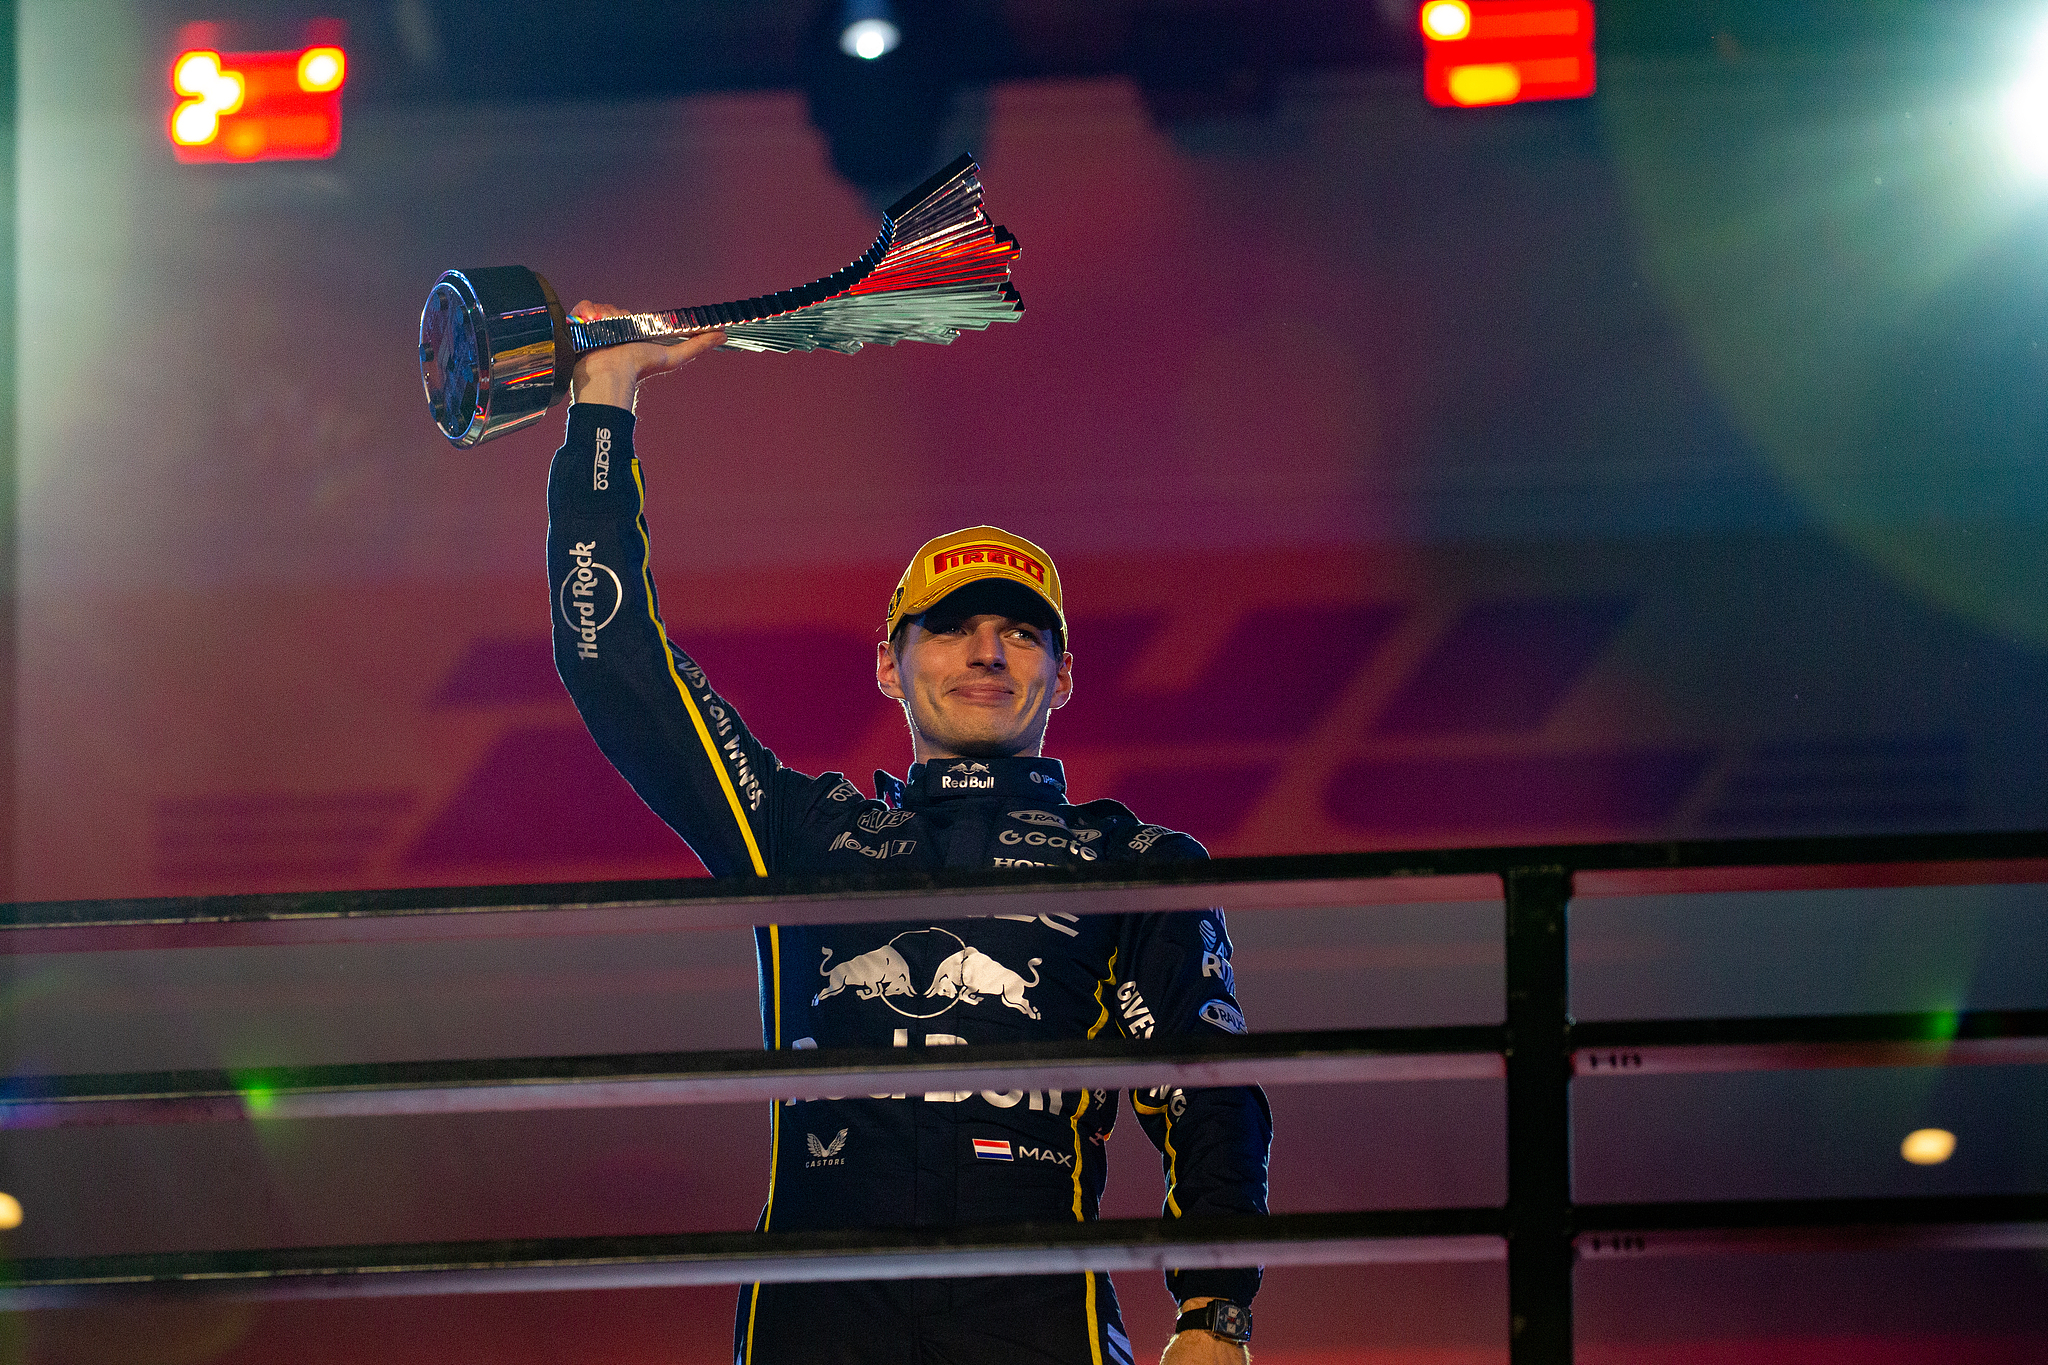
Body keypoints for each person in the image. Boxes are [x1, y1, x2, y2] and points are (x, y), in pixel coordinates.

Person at [547, 306, 1271, 1365]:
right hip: (819, 1326)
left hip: (1038, 1327)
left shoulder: (1133, 863)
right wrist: (604, 402)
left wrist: (1216, 1313)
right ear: (890, 665)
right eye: (951, 628)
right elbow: (612, 661)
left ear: (1060, 679)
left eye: (1020, 633)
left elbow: (1209, 1093)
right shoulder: (801, 837)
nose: (987, 652)